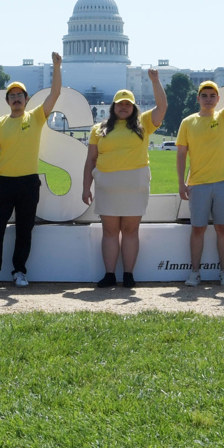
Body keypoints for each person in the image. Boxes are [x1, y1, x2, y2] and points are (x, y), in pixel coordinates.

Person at [0, 52, 63, 288]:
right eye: (12, 96)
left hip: (28, 183)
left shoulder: (35, 117)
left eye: (20, 96)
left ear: (26, 99)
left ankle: (19, 272)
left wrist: (57, 66)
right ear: (7, 101)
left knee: (25, 231)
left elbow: (55, 94)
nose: (16, 99)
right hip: (4, 183)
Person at [82, 69, 167, 288]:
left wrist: (155, 81)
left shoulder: (144, 123)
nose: (123, 107)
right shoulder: (98, 128)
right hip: (106, 185)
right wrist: (85, 188)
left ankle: (128, 274)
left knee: (130, 231)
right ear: (113, 107)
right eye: (120, 104)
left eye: (127, 104)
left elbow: (162, 107)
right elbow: (91, 159)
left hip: (134, 185)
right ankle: (110, 274)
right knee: (109, 232)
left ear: (133, 107)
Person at [176, 57, 224, 287]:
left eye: (212, 96)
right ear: (198, 98)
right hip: (197, 183)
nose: (208, 99)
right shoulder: (188, 122)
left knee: (222, 229)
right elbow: (180, 155)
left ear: (218, 99)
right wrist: (181, 182)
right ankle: (195, 272)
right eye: (204, 96)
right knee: (197, 229)